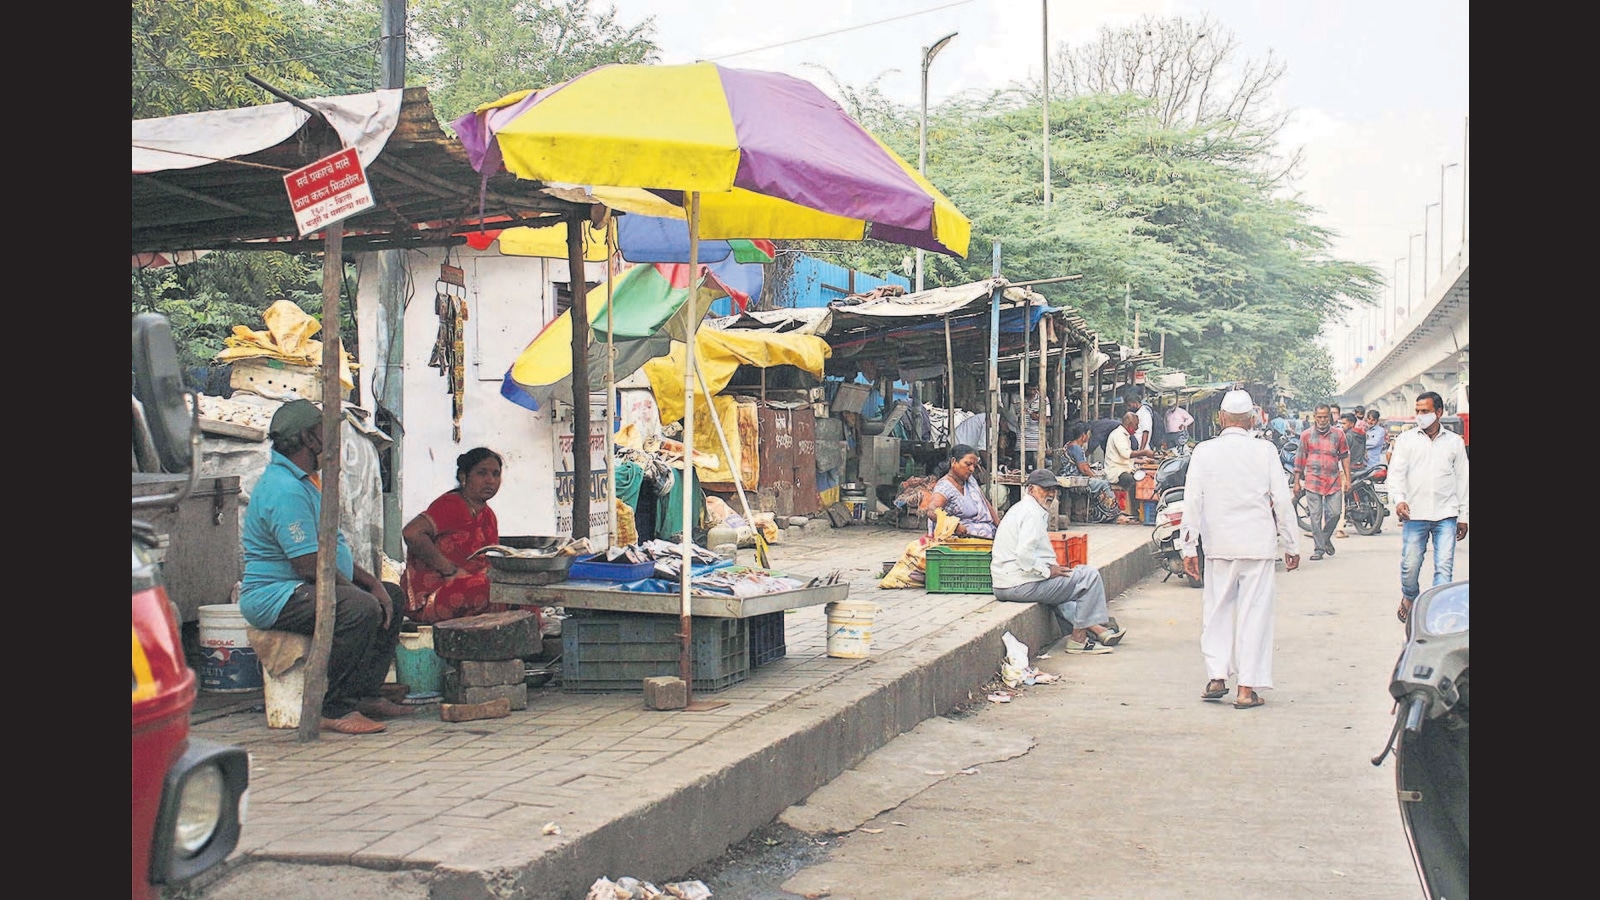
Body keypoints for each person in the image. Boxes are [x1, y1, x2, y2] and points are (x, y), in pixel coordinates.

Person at [238, 399, 411, 735]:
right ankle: (334, 708)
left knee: (391, 595)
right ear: (309, 439)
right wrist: (360, 594)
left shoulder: (305, 480)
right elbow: (307, 565)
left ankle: (364, 694)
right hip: (276, 595)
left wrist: (373, 584)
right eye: (325, 432)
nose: (333, 439)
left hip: (304, 585)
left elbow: (330, 552)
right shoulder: (285, 488)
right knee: (358, 608)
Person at [1179, 390, 1300, 709]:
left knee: (1216, 610)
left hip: (1218, 544)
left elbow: (1192, 501)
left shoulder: (1204, 452)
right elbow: (1282, 500)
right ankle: (1246, 689)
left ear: (1220, 419)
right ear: (1252, 420)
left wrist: (1188, 547)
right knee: (1255, 615)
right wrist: (1291, 542)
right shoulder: (1266, 450)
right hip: (1258, 545)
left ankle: (1217, 676)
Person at [991, 468, 1127, 654]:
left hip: (1009, 583)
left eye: (1053, 490)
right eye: (1045, 489)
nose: (1051, 494)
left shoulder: (1024, 509)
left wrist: (1051, 570)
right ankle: (1079, 638)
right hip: (1017, 584)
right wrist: (1048, 571)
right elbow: (1024, 555)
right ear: (1031, 490)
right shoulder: (1031, 513)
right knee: (1089, 576)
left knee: (1064, 588)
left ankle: (1095, 630)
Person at [401, 447, 511, 625]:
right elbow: (412, 533)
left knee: (522, 592)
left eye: (496, 474)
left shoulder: (488, 515)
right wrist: (450, 570)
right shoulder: (452, 505)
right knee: (494, 591)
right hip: (432, 596)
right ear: (463, 477)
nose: (490, 480)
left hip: (471, 585)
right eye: (482, 473)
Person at [1389, 391, 1469, 628]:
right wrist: (1399, 500)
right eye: (1418, 411)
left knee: (1444, 567)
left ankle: (1435, 614)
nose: (1420, 416)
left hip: (1446, 514)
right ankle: (1410, 596)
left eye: (1425, 411)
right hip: (1414, 514)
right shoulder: (1406, 440)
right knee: (1409, 565)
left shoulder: (1454, 443)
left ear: (1439, 412)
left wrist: (1464, 516)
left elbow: (1463, 481)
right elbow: (1396, 475)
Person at [1294, 404, 1350, 560]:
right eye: (1319, 417)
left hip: (1333, 480)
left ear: (1329, 417)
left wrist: (1348, 479)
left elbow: (1345, 456)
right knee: (1315, 516)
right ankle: (1319, 548)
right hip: (1313, 480)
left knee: (1335, 513)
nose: (1323, 420)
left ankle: (1325, 538)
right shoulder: (1306, 435)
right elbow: (1300, 458)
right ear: (1314, 417)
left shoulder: (1338, 435)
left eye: (1325, 417)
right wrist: (1297, 481)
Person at [1060, 422, 1136, 524]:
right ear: (1083, 435)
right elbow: (1084, 470)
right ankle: (1113, 515)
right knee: (1104, 484)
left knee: (1100, 483)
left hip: (1069, 476)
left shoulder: (1069, 445)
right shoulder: (1077, 448)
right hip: (1076, 480)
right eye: (1088, 434)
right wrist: (1095, 476)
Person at [922, 444, 1000, 539]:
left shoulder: (970, 480)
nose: (971, 469)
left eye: (974, 466)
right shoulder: (945, 487)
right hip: (958, 541)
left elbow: (985, 503)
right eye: (968, 464)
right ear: (954, 461)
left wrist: (1000, 527)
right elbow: (932, 511)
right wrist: (955, 526)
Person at [1104, 411, 1156, 501]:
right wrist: (1145, 452)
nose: (1137, 428)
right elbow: (1126, 454)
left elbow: (1125, 457)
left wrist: (1141, 461)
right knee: (1135, 485)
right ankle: (1135, 509)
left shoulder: (1124, 435)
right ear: (1130, 424)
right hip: (1117, 472)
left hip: (1124, 468)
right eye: (1136, 425)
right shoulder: (1118, 435)